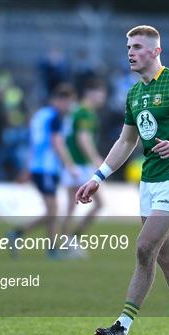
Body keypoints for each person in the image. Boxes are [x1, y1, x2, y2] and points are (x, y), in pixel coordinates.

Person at [76, 25, 169, 335]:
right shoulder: (134, 93)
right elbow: (127, 140)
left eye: (138, 47)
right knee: (166, 256)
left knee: (144, 247)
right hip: (150, 180)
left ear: (156, 51)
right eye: (128, 46)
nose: (130, 52)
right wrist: (98, 177)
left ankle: (121, 327)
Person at [7, 84, 78, 258]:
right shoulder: (55, 118)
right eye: (68, 103)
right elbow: (57, 143)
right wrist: (70, 165)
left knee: (52, 209)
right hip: (47, 168)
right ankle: (19, 233)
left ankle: (50, 248)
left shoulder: (40, 115)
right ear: (61, 101)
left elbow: (35, 144)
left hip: (38, 166)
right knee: (53, 210)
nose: (69, 107)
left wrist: (27, 167)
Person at [61, 79, 107, 240]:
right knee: (97, 204)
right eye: (101, 93)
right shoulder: (85, 112)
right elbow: (83, 138)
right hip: (79, 165)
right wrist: (95, 159)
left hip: (74, 164)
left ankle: (67, 241)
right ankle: (70, 240)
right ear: (91, 93)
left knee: (71, 207)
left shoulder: (78, 111)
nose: (103, 97)